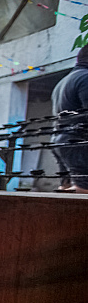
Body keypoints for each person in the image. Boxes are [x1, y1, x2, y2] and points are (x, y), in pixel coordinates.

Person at [51, 44, 88, 194]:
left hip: (60, 140)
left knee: (66, 189)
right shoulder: (85, 77)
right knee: (84, 191)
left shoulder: (63, 82)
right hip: (78, 143)